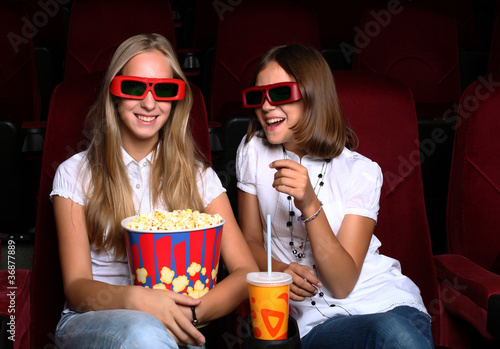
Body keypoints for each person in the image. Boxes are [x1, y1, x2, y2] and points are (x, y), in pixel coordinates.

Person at [52, 33, 258, 348]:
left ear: (176, 99)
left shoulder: (198, 176)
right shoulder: (75, 172)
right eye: (135, 88)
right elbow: (76, 287)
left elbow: (245, 273)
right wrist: (141, 301)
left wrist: (181, 315)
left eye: (163, 90)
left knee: (153, 335)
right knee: (144, 333)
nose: (149, 103)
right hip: (90, 322)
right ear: (114, 93)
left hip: (178, 330)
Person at [236, 44, 434, 349]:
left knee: (394, 332)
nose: (265, 106)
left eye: (279, 94)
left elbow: (341, 284)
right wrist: (279, 270)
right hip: (314, 323)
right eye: (257, 96)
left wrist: (310, 205)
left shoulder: (362, 172)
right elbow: (247, 241)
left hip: (383, 302)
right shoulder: (252, 151)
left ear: (313, 94)